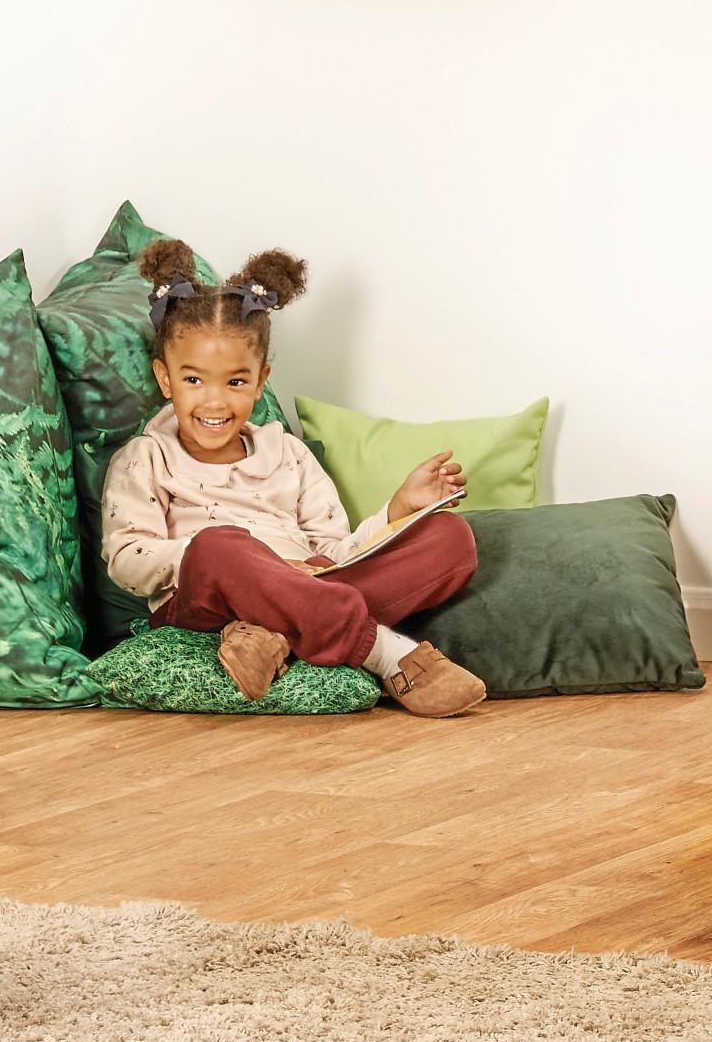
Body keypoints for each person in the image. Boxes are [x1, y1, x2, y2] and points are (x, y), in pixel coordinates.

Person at [101, 239, 484, 715]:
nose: (215, 402)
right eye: (194, 380)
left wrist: (398, 510)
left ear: (261, 381)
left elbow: (333, 556)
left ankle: (276, 637)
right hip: (202, 604)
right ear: (165, 379)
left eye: (235, 382)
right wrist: (248, 563)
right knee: (220, 543)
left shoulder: (289, 454)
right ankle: (389, 655)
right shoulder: (145, 458)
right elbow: (126, 559)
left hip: (308, 582)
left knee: (451, 538)